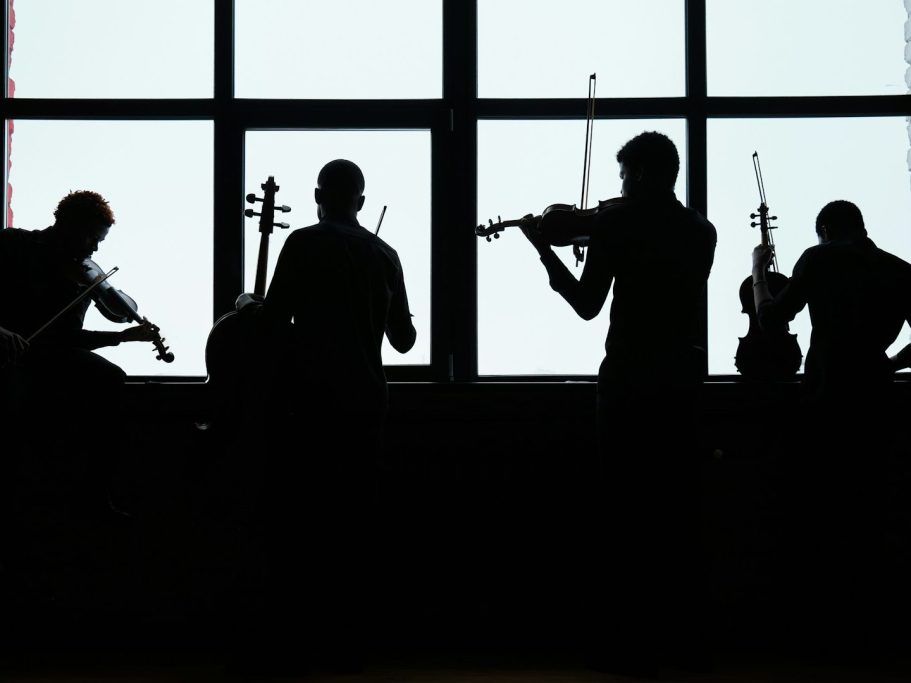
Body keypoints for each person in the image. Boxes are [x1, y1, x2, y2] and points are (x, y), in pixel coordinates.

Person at [520, 131, 717, 675]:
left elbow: (587, 304)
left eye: (625, 176)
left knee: (624, 507)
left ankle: (624, 643)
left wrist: (543, 250)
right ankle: (683, 643)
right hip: (682, 379)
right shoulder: (702, 231)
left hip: (629, 377)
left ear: (644, 174)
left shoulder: (615, 222)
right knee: (677, 508)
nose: (620, 187)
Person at [247, 159, 416, 671]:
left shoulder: (302, 243)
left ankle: (298, 640)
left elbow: (273, 322)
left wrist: (251, 307)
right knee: (357, 516)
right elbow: (404, 341)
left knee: (303, 516)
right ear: (361, 202)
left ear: (318, 196)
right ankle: (353, 641)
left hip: (309, 397)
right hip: (367, 398)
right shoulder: (385, 254)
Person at [750, 199, 911, 655]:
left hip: (824, 398)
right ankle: (870, 631)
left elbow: (772, 318)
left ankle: (822, 631)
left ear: (823, 229)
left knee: (819, 512)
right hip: (876, 400)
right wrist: (889, 364)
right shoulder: (898, 269)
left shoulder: (819, 259)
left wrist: (758, 270)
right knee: (871, 513)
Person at [0, 190, 158, 517]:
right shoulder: (13, 244)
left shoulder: (82, 277)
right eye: (91, 237)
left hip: (50, 356)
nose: (95, 249)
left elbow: (67, 338)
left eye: (99, 240)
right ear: (67, 224)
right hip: (7, 352)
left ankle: (95, 495)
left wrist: (120, 337)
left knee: (111, 379)